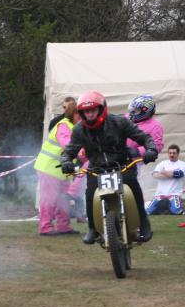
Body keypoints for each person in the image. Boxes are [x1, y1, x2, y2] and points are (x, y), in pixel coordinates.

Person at [60, 92, 158, 245]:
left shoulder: (119, 122)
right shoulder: (79, 129)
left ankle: (144, 221)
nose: (90, 113)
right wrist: (66, 161)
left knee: (133, 186)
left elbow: (143, 137)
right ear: (81, 112)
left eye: (93, 109)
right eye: (87, 111)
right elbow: (69, 151)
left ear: (101, 109)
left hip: (122, 165)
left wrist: (151, 149)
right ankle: (92, 228)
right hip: (96, 168)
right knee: (90, 193)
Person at [34, 104, 81, 236]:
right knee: (49, 198)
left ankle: (63, 226)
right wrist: (80, 151)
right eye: (78, 114)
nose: (81, 117)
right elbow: (65, 142)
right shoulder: (64, 125)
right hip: (49, 168)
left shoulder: (75, 127)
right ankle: (45, 227)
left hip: (62, 171)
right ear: (72, 114)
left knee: (63, 198)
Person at [125, 94, 164, 176]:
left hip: (136, 163)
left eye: (136, 110)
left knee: (131, 186)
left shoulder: (155, 126)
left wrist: (137, 151)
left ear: (145, 110)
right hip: (120, 157)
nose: (132, 112)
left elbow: (157, 145)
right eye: (133, 110)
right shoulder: (127, 117)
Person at [147, 144, 185, 215]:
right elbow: (154, 175)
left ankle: (176, 206)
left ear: (178, 154)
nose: (172, 155)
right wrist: (171, 174)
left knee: (176, 211)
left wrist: (163, 172)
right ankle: (162, 208)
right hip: (160, 194)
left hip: (174, 194)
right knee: (148, 211)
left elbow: (179, 174)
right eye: (170, 153)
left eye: (174, 153)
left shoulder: (182, 164)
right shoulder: (163, 163)